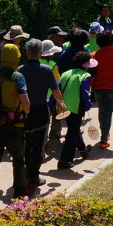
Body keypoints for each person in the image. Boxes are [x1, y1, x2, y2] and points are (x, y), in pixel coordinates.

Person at [0, 43, 31, 208]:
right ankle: (19, 194)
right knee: (18, 161)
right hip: (14, 125)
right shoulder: (18, 77)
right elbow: (25, 102)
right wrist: (26, 113)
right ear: (17, 57)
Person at [18, 39, 66, 187]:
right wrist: (61, 102)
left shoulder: (19, 70)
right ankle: (34, 176)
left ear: (26, 53)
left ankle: (24, 173)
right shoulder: (46, 69)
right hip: (41, 110)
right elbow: (55, 90)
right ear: (40, 53)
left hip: (23, 111)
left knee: (26, 142)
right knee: (39, 144)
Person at [57, 51, 95, 170]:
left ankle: (83, 150)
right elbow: (85, 93)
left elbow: (57, 89)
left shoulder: (65, 74)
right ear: (85, 66)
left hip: (64, 107)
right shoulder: (85, 76)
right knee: (72, 134)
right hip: (77, 108)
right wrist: (88, 105)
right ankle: (64, 160)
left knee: (74, 128)